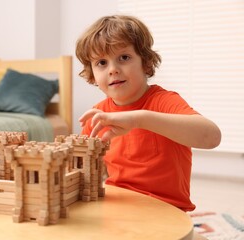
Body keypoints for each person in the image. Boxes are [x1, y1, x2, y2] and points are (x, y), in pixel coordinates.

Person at [76, 15, 221, 211]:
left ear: (146, 63)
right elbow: (82, 169)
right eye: (102, 62)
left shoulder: (163, 101)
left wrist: (140, 118)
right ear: (92, 74)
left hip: (166, 210)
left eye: (124, 58)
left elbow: (211, 137)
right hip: (118, 208)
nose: (113, 70)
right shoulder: (98, 116)